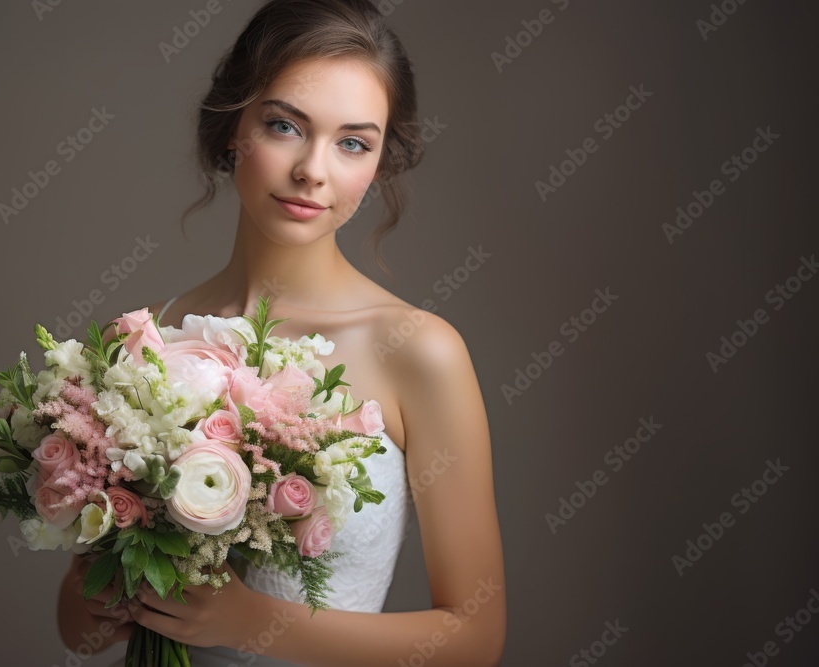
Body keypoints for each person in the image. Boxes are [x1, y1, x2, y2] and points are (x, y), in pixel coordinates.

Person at [57, 1, 506, 665]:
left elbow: (475, 639)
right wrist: (94, 603)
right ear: (232, 127)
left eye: (353, 142)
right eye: (284, 126)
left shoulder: (419, 350)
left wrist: (250, 620)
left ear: (380, 162)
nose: (313, 171)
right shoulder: (138, 340)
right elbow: (80, 626)